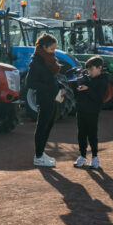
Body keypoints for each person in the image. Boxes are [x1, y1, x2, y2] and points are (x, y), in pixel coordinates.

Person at [27, 33, 64, 167]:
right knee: (43, 126)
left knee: (48, 125)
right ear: (44, 47)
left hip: (52, 98)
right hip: (44, 98)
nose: (54, 51)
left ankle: (41, 153)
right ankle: (38, 156)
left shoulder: (49, 60)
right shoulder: (36, 62)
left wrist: (60, 86)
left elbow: (51, 79)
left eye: (54, 48)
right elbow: (30, 83)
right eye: (52, 49)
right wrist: (49, 87)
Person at [73, 56, 108, 170]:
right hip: (81, 111)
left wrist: (87, 89)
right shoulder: (85, 79)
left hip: (92, 112)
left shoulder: (103, 81)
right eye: (88, 70)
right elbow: (76, 93)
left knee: (92, 134)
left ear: (99, 68)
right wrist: (77, 85)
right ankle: (82, 156)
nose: (89, 72)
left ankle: (94, 157)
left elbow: (99, 97)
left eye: (91, 69)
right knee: (81, 134)